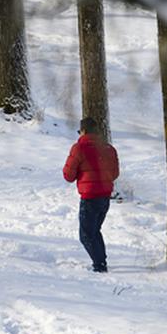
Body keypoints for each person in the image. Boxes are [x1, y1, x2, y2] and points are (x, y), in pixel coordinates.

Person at [62, 117, 120, 273]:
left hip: (89, 197)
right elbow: (115, 173)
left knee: (86, 235)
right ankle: (101, 261)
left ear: (83, 131)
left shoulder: (79, 148)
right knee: (95, 231)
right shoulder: (109, 149)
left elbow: (68, 175)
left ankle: (99, 265)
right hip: (105, 197)